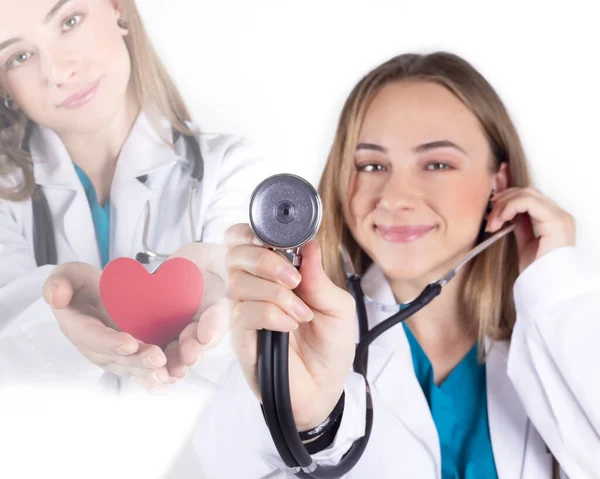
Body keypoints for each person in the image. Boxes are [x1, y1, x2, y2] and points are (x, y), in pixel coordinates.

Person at [192, 52, 600, 478]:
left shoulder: (556, 330)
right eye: (371, 165)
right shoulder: (286, 337)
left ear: (499, 182)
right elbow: (229, 458)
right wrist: (310, 421)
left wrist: (554, 290)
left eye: (438, 163)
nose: (394, 197)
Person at [0, 0, 268, 395]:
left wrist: (219, 309)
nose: (58, 71)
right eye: (19, 56)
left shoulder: (232, 171)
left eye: (69, 21)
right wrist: (59, 326)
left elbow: (261, 366)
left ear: (118, 8)